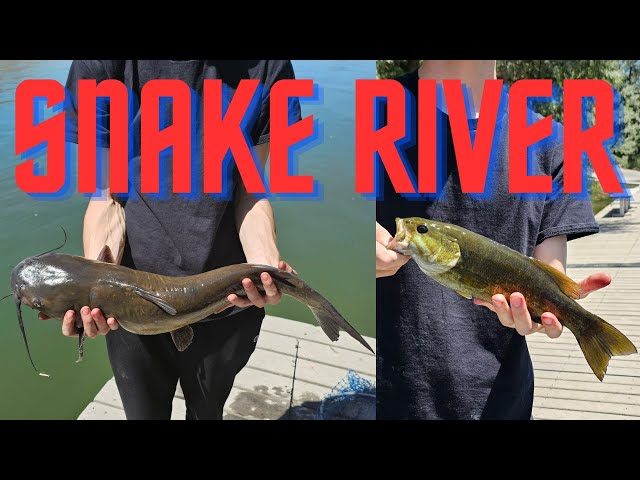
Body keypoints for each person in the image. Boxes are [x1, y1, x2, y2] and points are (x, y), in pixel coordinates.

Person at [42, 60, 299, 420]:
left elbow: (249, 190)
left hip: (225, 301)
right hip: (133, 308)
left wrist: (264, 263)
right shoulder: (102, 65)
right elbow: (107, 195)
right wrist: (96, 288)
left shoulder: (268, 67)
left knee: (207, 412)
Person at [376, 60, 612, 419]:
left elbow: (549, 268)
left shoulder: (556, 142)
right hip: (390, 398)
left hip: (502, 403)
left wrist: (549, 308)